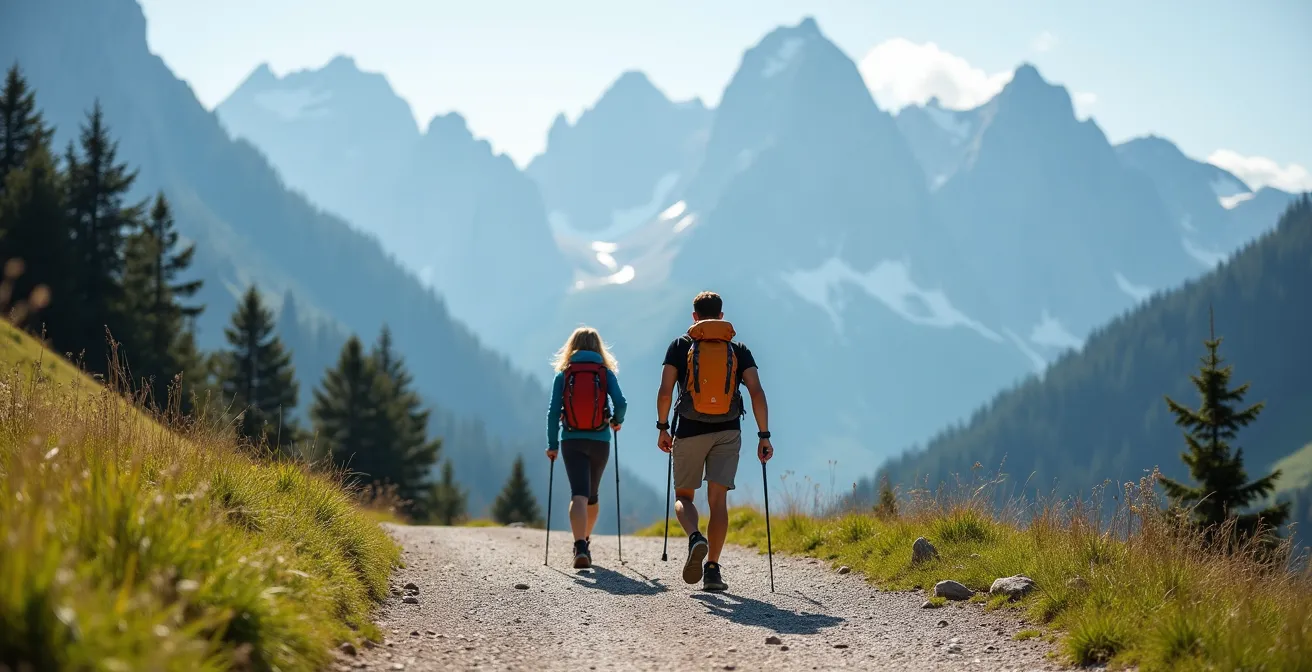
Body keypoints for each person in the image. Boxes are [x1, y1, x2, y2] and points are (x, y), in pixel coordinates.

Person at [656, 291, 771, 591]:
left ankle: (695, 537)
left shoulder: (681, 346)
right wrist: (764, 435)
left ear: (694, 317)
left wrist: (663, 427)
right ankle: (712, 571)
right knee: (718, 501)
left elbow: (666, 390)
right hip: (728, 430)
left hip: (690, 429)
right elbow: (757, 392)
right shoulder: (738, 349)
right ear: (722, 316)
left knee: (684, 496)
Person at [546, 326, 626, 569]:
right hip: (600, 440)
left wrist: (552, 444)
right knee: (592, 495)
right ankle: (586, 540)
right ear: (598, 347)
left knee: (578, 494)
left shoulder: (564, 374)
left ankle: (579, 545)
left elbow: (552, 413)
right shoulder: (605, 373)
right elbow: (621, 403)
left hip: (571, 440)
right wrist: (615, 421)